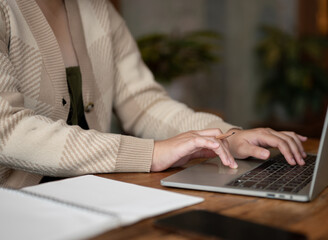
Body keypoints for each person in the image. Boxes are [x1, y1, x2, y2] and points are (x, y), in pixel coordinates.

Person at [0, 0, 307, 189]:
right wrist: (152, 153)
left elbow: (145, 104)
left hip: (92, 197)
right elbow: (8, 131)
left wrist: (226, 137)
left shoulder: (99, 10)